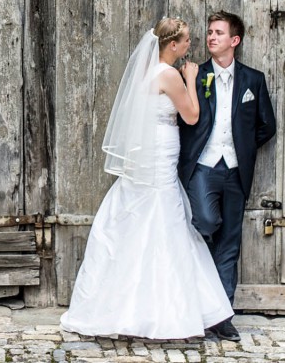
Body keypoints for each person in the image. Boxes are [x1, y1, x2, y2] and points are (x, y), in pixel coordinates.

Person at [60, 18, 234, 340]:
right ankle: (165, 311)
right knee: (166, 221)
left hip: (148, 152)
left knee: (143, 220)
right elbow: (191, 116)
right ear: (172, 45)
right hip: (161, 154)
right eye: (185, 42)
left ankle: (131, 306)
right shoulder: (169, 74)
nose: (188, 46)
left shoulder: (146, 71)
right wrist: (192, 79)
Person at [178, 11, 277, 342]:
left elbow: (267, 125)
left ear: (234, 41)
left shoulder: (253, 80)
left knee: (230, 244)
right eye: (209, 32)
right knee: (205, 223)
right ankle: (197, 301)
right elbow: (183, 120)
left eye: (218, 33)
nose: (211, 37)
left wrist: (244, 149)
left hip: (236, 171)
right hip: (203, 167)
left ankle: (222, 316)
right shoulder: (195, 75)